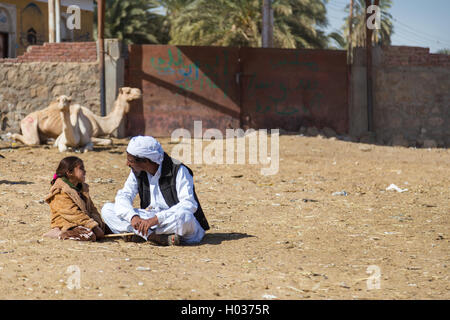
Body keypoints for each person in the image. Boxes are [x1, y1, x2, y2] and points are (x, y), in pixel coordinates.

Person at [101, 136, 209, 246]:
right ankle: (153, 237)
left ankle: (141, 234)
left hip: (171, 220)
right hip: (148, 220)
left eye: (130, 160)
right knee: (107, 209)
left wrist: (157, 219)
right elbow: (124, 195)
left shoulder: (179, 170)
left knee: (185, 216)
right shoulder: (137, 171)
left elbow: (189, 204)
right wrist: (133, 217)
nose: (127, 164)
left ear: (145, 161)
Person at [43, 156, 106, 241]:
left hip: (83, 222)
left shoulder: (82, 189)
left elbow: (92, 208)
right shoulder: (59, 190)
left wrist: (98, 224)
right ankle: (58, 233)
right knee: (89, 235)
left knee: (110, 229)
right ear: (69, 172)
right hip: (67, 224)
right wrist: (93, 226)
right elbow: (72, 214)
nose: (85, 171)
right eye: (81, 168)